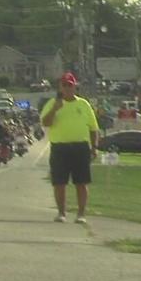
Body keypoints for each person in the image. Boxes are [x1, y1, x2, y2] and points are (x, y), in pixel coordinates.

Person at [41, 72, 99, 224]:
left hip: (80, 147)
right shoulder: (53, 103)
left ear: (75, 87)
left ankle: (81, 214)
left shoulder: (83, 104)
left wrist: (94, 148)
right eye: (64, 85)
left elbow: (93, 128)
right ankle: (61, 213)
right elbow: (46, 123)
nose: (67, 88)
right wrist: (55, 109)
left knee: (81, 182)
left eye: (70, 85)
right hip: (60, 148)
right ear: (60, 87)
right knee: (59, 183)